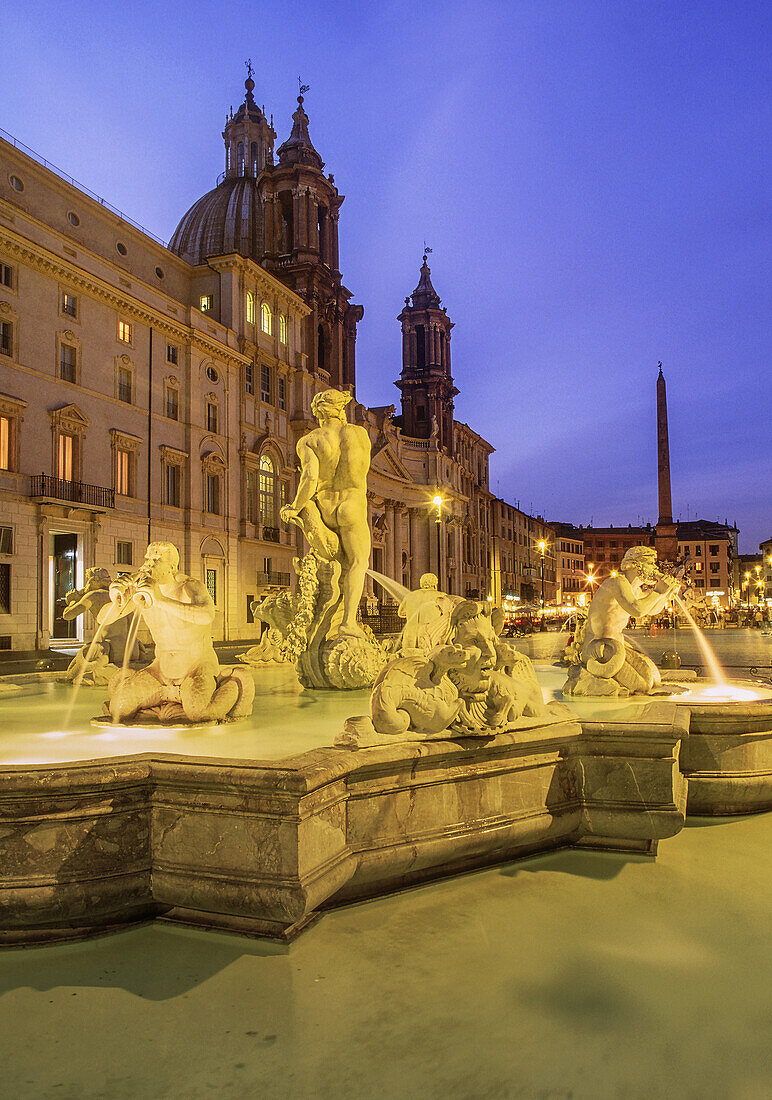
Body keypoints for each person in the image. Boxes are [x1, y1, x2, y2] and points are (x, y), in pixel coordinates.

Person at [104, 542, 253, 723]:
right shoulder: (141, 590)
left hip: (196, 667)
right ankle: (167, 699)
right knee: (119, 709)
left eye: (156, 560)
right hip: (161, 670)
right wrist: (116, 600)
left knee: (200, 713)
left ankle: (233, 684)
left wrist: (159, 600)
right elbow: (103, 618)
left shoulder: (189, 586)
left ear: (172, 567)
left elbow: (206, 615)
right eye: (147, 559)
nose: (149, 564)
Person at [280, 388, 371, 638]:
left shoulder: (309, 440)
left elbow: (309, 477)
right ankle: (348, 622)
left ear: (317, 412)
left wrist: (295, 507)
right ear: (340, 409)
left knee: (331, 562)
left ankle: (322, 618)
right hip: (352, 504)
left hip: (323, 506)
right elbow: (361, 472)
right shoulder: (360, 435)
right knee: (357, 563)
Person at [566, 546, 682, 696]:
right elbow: (637, 610)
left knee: (654, 676)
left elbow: (651, 610)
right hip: (599, 648)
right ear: (635, 564)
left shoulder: (635, 590)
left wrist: (666, 595)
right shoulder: (616, 582)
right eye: (651, 564)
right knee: (644, 683)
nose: (655, 568)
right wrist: (658, 591)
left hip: (616, 645)